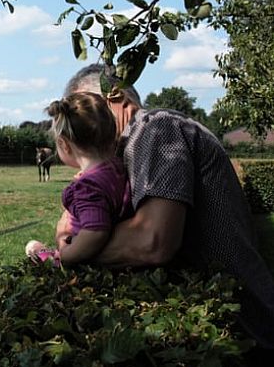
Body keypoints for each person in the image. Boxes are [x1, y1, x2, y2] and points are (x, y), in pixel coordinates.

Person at [57, 63, 274, 352]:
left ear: (117, 97)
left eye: (85, 113)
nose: (80, 130)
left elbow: (151, 241)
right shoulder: (125, 152)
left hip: (247, 333)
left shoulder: (155, 128)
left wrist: (69, 248)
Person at [26, 92, 132, 265]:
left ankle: (48, 255)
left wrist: (64, 258)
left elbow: (94, 232)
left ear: (65, 146)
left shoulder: (88, 187)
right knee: (35, 246)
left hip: (80, 257)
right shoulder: (117, 167)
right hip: (105, 247)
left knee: (32, 247)